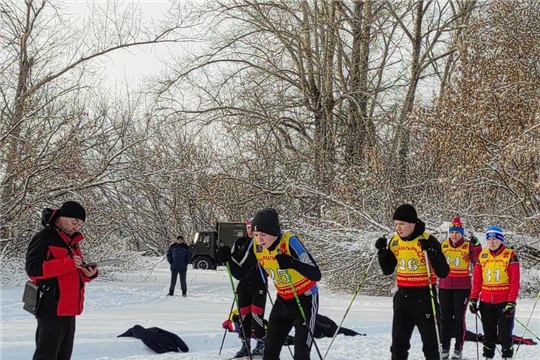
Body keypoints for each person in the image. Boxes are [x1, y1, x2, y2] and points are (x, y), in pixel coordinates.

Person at [218, 208, 321, 360]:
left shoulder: (289, 242)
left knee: (301, 354)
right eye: (256, 234)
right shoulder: (257, 246)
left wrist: (292, 263)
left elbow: (315, 273)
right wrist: (227, 260)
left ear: (274, 232)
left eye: (263, 235)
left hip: (304, 300)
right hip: (283, 301)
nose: (259, 239)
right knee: (270, 352)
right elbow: (241, 273)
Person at [375, 203, 450, 360]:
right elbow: (388, 269)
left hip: (424, 296)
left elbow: (444, 272)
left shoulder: (428, 240)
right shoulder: (395, 241)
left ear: (412, 223)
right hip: (403, 297)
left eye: (402, 224)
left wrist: (433, 253)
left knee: (431, 345)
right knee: (398, 345)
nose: (398, 228)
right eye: (396, 224)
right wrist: (382, 252)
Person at [25, 201, 98, 360]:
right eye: (74, 222)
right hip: (50, 306)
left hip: (70, 307)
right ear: (62, 217)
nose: (76, 227)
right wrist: (69, 263)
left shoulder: (72, 241)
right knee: (47, 355)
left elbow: (71, 272)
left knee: (64, 355)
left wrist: (88, 273)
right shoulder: (43, 237)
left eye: (79, 224)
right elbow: (33, 269)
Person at [469, 225, 520, 360]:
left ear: (501, 240)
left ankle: (507, 356)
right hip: (486, 302)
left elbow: (514, 281)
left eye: (495, 239)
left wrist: (511, 301)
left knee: (505, 335)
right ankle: (488, 357)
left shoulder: (510, 255)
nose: (492, 242)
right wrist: (473, 298)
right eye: (489, 239)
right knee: (489, 335)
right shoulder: (483, 255)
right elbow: (477, 280)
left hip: (504, 302)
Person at [439, 216, 482, 359]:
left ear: (461, 233)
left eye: (457, 232)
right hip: (445, 286)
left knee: (458, 318)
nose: (454, 235)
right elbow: (435, 261)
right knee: (444, 318)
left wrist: (477, 246)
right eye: (452, 232)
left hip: (462, 287)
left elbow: (478, 261)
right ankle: (444, 346)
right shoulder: (443, 245)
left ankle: (458, 348)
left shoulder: (467, 245)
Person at [230, 217, 267, 357]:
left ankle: (261, 341)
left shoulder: (260, 242)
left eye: (252, 227)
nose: (249, 230)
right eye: (247, 227)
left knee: (256, 315)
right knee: (243, 315)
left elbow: (249, 260)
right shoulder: (239, 242)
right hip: (244, 284)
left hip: (259, 283)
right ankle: (245, 344)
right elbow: (234, 260)